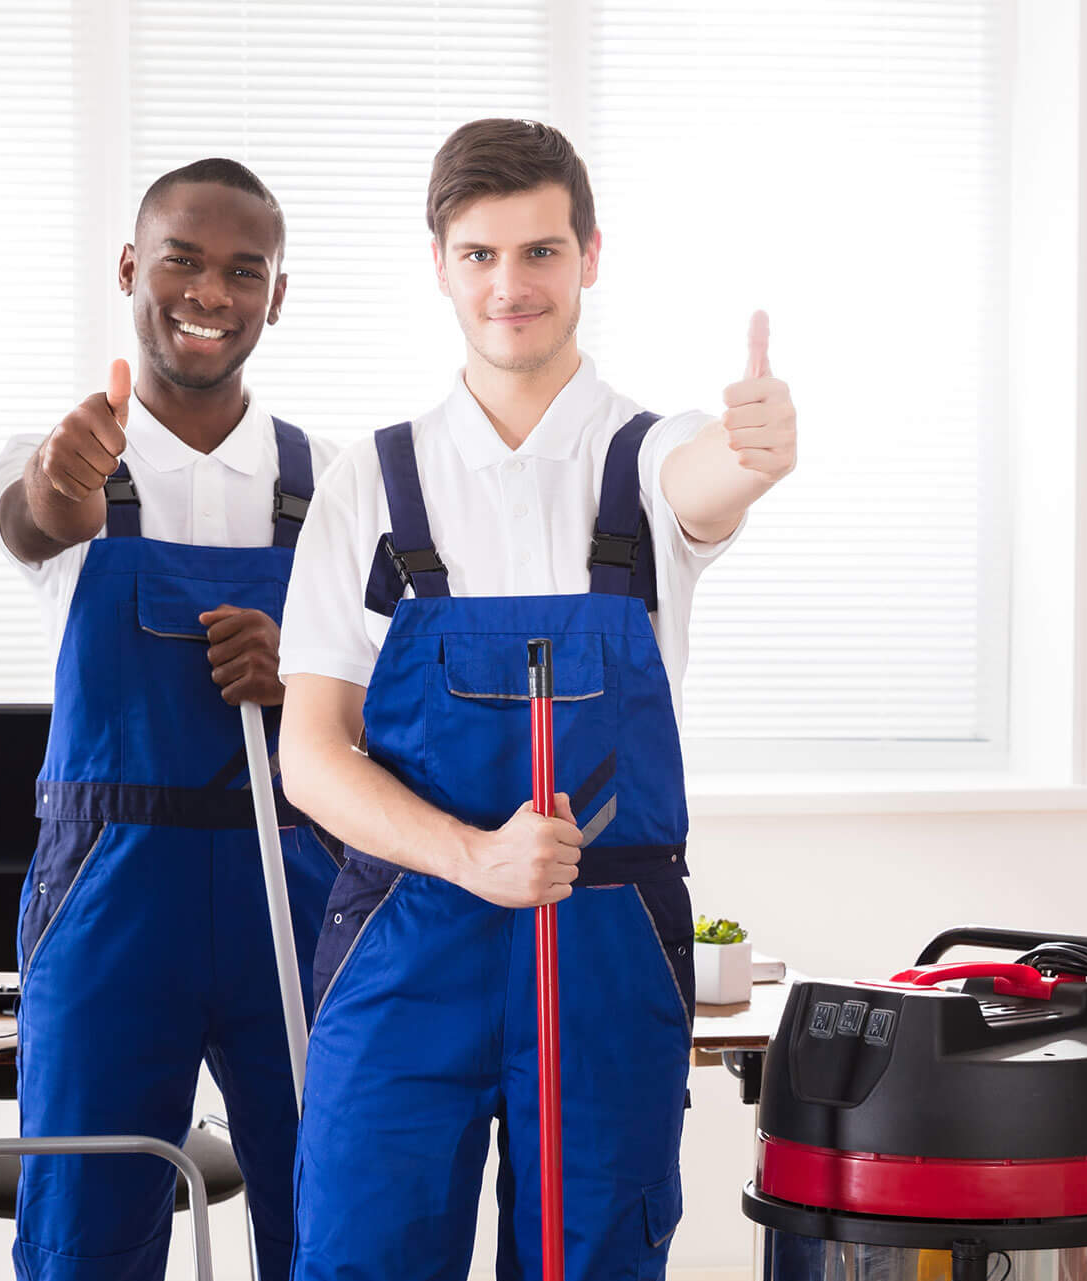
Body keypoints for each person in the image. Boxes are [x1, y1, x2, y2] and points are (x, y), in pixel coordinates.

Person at [274, 118, 792, 1281]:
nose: (512, 286)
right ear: (442, 266)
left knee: (594, 1259)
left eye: (542, 253)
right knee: (361, 1251)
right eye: (480, 255)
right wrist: (473, 858)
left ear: (591, 257)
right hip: (407, 941)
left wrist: (750, 457)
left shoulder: (654, 458)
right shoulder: (374, 479)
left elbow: (709, 490)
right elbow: (309, 755)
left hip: (604, 945)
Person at [0, 157, 335, 1281]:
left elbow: (387, 701)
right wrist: (61, 481)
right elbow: (38, 524)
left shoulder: (332, 485)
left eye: (246, 270)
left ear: (279, 295)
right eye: (183, 259)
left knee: (325, 1208)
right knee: (88, 1222)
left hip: (297, 882)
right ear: (133, 266)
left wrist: (302, 674)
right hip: (110, 896)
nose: (212, 292)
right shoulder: (61, 457)